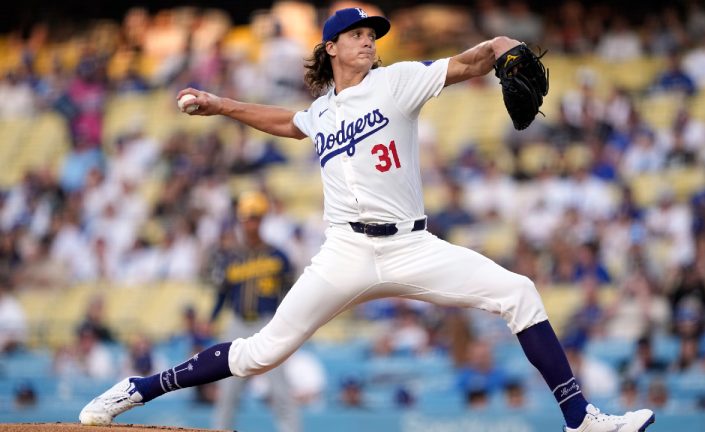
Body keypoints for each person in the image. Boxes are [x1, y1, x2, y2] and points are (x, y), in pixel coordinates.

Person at [79, 8, 655, 432]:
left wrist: (503, 43)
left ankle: (580, 419)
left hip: (413, 245)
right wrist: (222, 105)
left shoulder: (397, 80)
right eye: (356, 35)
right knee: (261, 354)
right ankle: (136, 390)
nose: (367, 42)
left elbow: (469, 62)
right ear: (331, 47)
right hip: (345, 254)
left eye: (371, 35)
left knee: (519, 292)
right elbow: (289, 122)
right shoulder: (323, 111)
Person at [205, 191, 299, 431]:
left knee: (280, 389)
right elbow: (222, 293)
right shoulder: (231, 257)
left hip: (267, 324)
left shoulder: (279, 256)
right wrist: (212, 318)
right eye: (247, 218)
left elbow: (293, 292)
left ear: (263, 219)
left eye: (255, 217)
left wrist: (288, 323)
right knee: (228, 390)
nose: (250, 223)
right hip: (236, 324)